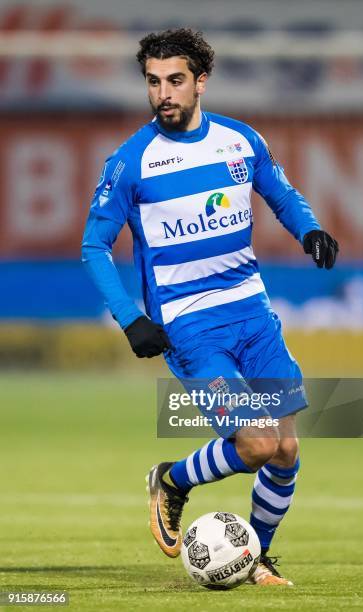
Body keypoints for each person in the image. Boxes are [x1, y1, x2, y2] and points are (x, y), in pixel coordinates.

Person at [82, 28, 339, 586]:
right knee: (255, 442)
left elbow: (281, 192)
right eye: (153, 82)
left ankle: (256, 560)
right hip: (190, 326)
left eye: (175, 81)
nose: (163, 94)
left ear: (201, 81)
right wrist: (131, 318)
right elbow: (93, 245)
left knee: (286, 449)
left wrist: (309, 229)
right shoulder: (132, 162)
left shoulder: (240, 140)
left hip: (252, 312)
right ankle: (173, 480)